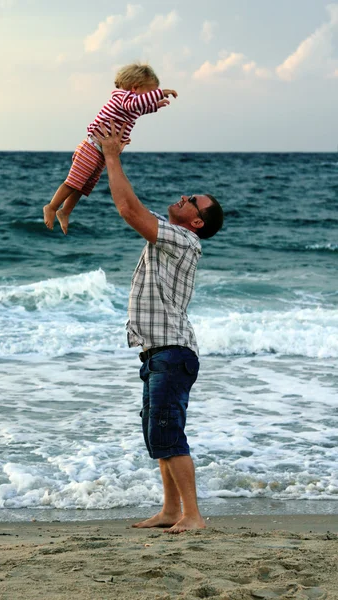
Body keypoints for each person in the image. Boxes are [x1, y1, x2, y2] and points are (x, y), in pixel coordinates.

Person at [92, 121, 224, 534]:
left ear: (197, 222)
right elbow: (134, 208)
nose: (183, 197)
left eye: (192, 201)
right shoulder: (170, 238)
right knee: (159, 435)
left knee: (168, 434)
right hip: (158, 353)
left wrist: (112, 156)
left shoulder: (184, 241)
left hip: (172, 352)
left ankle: (193, 516)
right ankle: (170, 511)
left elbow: (129, 210)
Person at [43, 63, 177, 235]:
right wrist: (161, 92)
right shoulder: (122, 98)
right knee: (73, 182)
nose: (151, 98)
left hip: (101, 152)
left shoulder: (130, 104)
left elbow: (139, 109)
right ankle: (52, 206)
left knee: (82, 186)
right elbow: (135, 105)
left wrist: (155, 106)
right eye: (149, 94)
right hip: (92, 147)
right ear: (134, 88)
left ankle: (65, 211)